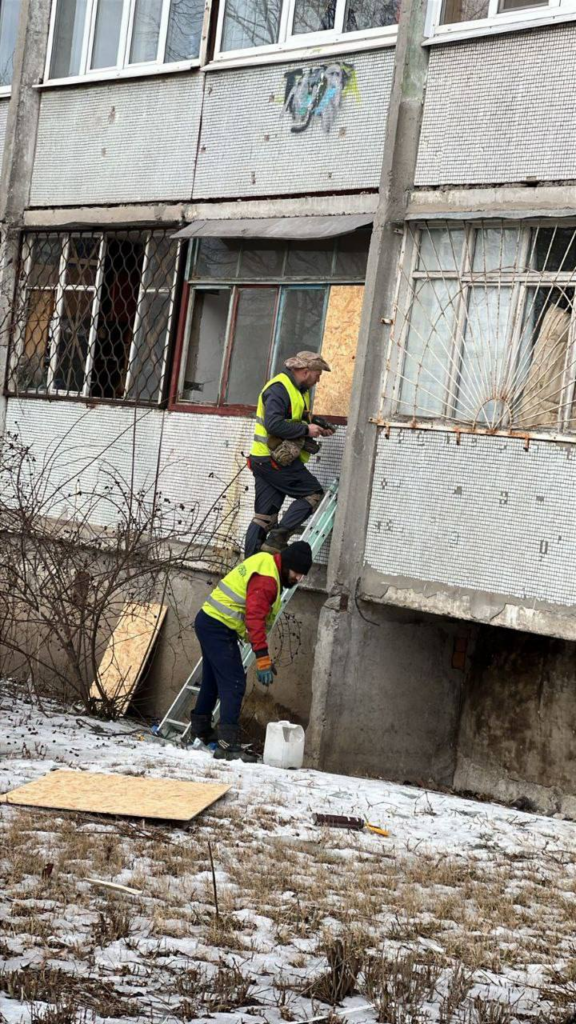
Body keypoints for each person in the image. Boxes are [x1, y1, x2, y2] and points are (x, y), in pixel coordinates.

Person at [190, 541, 313, 761]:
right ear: (287, 566)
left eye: (302, 576)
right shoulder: (267, 580)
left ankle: (200, 730)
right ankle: (227, 745)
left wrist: (262, 654)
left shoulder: (267, 564)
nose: (298, 579)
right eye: (297, 573)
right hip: (218, 626)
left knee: (213, 680)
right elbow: (255, 619)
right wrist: (263, 659)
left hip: (210, 621)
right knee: (234, 682)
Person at [245, 351, 335, 558]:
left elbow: (291, 419)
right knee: (312, 493)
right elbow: (274, 424)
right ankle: (278, 538)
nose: (318, 380)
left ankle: (248, 567)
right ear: (305, 372)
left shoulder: (296, 390)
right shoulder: (279, 390)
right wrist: (306, 431)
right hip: (273, 460)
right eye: (317, 375)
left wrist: (317, 425)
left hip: (264, 460)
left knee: (263, 518)